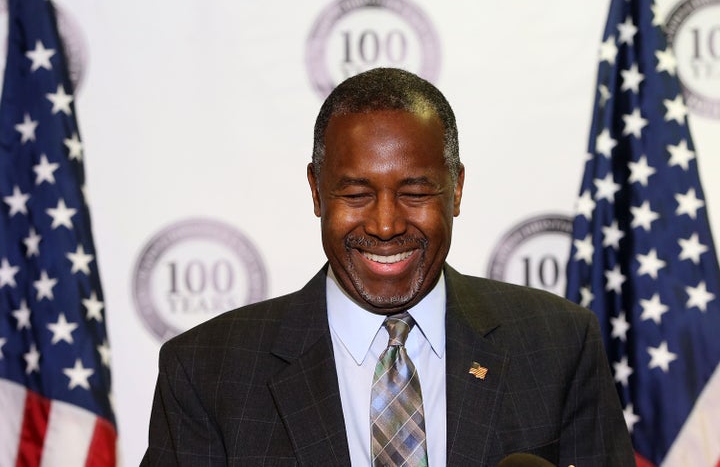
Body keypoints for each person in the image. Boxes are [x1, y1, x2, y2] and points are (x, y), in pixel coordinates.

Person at [142, 68, 635, 466]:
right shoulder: (208, 372)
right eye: (355, 194)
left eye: (415, 193)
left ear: (456, 189)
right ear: (316, 191)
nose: (384, 225)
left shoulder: (558, 345)